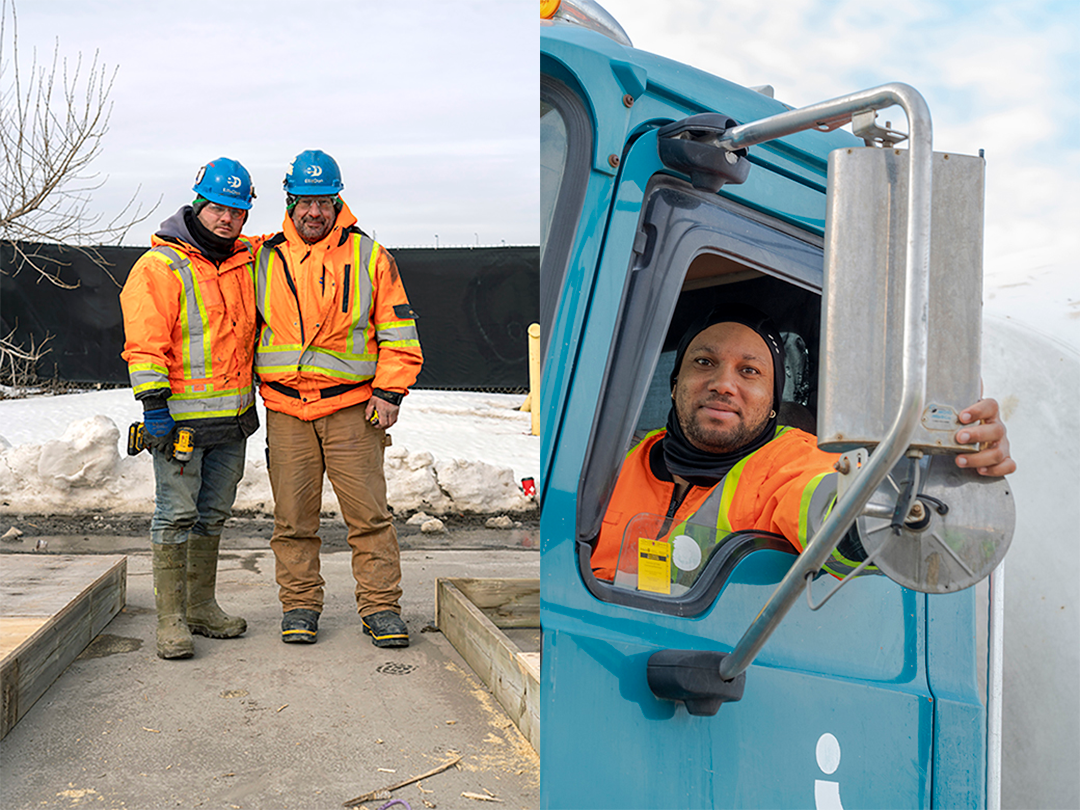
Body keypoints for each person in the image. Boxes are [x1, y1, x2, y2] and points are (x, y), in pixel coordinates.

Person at [590, 304, 1015, 582]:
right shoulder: (610, 463)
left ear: (774, 403)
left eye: (750, 372)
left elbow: (835, 515)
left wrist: (934, 477)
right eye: (704, 362)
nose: (723, 384)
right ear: (674, 383)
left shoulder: (789, 460)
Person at [254, 149, 422, 648]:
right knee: (292, 519)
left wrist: (391, 390)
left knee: (369, 516)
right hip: (286, 410)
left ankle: (381, 607)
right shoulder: (261, 256)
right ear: (289, 201)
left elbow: (398, 331)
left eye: (324, 202)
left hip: (353, 409)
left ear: (337, 202)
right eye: (304, 201)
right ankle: (300, 605)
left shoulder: (370, 256)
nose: (314, 212)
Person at [120, 158, 259, 659]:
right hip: (178, 422)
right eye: (219, 208)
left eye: (237, 211)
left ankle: (202, 607)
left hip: (233, 421)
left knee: (213, 515)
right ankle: (172, 619)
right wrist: (154, 407)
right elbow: (144, 345)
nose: (227, 218)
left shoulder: (245, 260)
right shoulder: (160, 267)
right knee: (176, 514)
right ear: (198, 205)